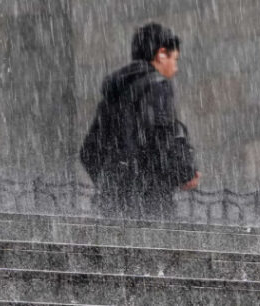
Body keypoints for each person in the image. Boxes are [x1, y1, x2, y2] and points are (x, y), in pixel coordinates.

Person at [80, 23, 200, 220]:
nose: (176, 68)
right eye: (175, 59)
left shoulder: (116, 92)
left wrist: (112, 182)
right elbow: (162, 136)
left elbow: (89, 151)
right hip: (150, 204)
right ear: (161, 54)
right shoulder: (158, 85)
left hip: (112, 204)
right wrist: (184, 173)